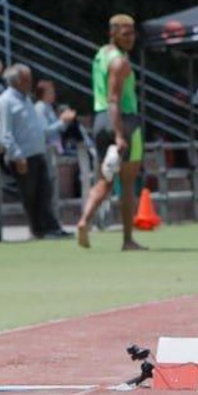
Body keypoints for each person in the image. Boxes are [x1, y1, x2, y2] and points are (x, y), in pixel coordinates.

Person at [75, 14, 145, 251]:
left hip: (100, 118)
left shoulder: (101, 54)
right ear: (112, 34)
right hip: (122, 120)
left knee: (104, 181)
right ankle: (127, 239)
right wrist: (120, 135)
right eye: (125, 34)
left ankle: (84, 221)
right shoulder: (120, 62)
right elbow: (114, 99)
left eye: (133, 33)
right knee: (127, 184)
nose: (131, 38)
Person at [0, 63, 73, 239]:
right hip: (23, 156)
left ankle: (50, 227)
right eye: (26, 79)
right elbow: (5, 132)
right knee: (31, 195)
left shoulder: (27, 99)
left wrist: (61, 124)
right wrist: (16, 155)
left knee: (44, 192)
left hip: (37, 153)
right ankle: (40, 229)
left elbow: (38, 128)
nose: (30, 82)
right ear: (17, 81)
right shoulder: (6, 100)